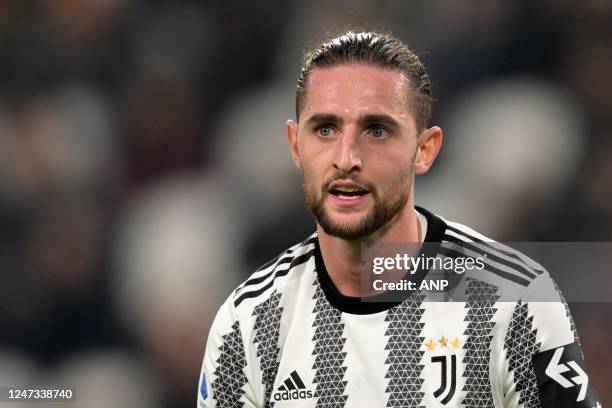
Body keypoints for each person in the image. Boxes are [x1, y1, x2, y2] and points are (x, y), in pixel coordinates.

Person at [197, 31, 600, 407]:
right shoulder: (248, 321)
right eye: (325, 129)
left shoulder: (514, 299)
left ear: (424, 150)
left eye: (376, 131)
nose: (347, 158)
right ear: (295, 145)